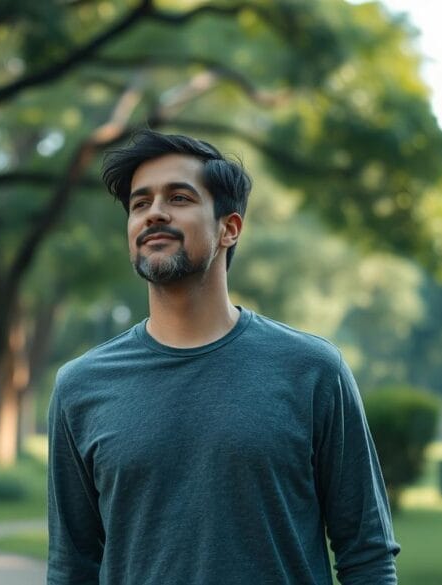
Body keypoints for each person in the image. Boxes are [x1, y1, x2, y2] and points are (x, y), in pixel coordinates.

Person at [46, 130, 400, 585]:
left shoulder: (312, 370)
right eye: (140, 203)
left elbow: (366, 554)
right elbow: (71, 567)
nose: (154, 212)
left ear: (229, 228)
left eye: (178, 197)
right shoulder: (81, 386)